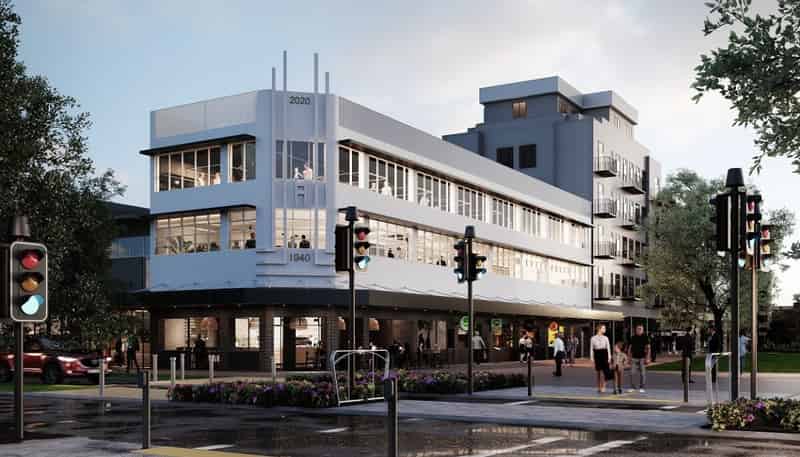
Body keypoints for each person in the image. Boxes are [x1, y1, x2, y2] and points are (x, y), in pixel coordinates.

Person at [627, 324, 650, 393]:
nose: (639, 330)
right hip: (634, 358)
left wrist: (648, 358)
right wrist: (628, 357)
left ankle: (642, 387)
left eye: (641, 329)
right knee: (631, 373)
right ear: (636, 329)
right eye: (638, 329)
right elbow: (630, 348)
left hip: (642, 358)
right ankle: (632, 387)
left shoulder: (645, 337)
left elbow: (648, 348)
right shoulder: (633, 337)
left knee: (642, 373)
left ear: (643, 330)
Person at [590, 325, 611, 393]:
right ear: (599, 329)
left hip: (604, 354)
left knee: (604, 372)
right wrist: (592, 357)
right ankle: (599, 387)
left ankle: (604, 387)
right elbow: (591, 348)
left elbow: (608, 348)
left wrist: (609, 357)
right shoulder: (593, 338)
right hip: (597, 354)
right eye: (603, 328)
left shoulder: (606, 338)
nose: (605, 329)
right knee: (598, 372)